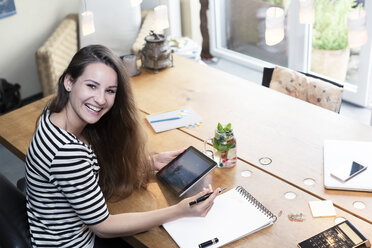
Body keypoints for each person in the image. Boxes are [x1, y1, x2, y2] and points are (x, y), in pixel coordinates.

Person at [25, 44, 220, 248]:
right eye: (91, 86)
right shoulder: (66, 152)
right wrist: (179, 211)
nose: (100, 99)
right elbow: (103, 226)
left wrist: (150, 162)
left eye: (110, 91)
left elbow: (83, 174)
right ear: (69, 81)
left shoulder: (52, 115)